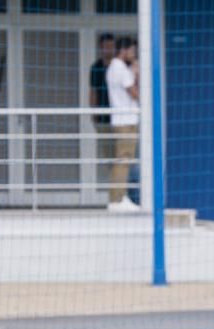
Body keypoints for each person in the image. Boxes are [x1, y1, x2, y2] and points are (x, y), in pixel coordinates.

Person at [105, 36, 139, 212]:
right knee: (123, 160)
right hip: (125, 121)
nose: (133, 54)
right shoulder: (120, 69)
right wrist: (136, 73)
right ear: (123, 50)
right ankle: (116, 200)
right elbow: (135, 94)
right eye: (132, 51)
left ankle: (120, 197)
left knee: (123, 160)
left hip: (122, 120)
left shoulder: (114, 68)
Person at [88, 33, 114, 188]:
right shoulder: (96, 68)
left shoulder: (119, 66)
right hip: (104, 119)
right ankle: (117, 194)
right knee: (109, 156)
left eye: (112, 46)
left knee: (123, 157)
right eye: (107, 47)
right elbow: (93, 91)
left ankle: (124, 194)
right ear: (101, 47)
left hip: (121, 119)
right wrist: (94, 113)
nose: (110, 50)